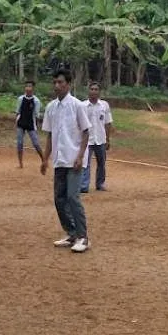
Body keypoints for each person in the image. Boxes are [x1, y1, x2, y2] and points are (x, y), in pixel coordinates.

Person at [41, 69, 92, 253]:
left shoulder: (78, 106)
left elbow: (86, 131)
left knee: (72, 197)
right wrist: (45, 158)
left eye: (60, 82)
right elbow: (49, 135)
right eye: (54, 82)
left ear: (68, 84)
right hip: (59, 160)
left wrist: (80, 156)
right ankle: (71, 233)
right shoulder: (50, 108)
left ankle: (83, 237)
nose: (57, 85)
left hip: (74, 160)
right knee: (58, 199)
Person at [81, 82, 114, 193]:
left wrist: (108, 139)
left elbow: (108, 123)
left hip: (100, 139)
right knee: (86, 163)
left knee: (101, 163)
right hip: (87, 140)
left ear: (99, 92)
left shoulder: (104, 105)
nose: (94, 91)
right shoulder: (82, 106)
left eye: (96, 89)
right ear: (88, 91)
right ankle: (84, 185)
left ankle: (100, 184)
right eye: (92, 89)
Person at [14, 81, 45, 168]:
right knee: (19, 143)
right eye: (26, 86)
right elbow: (17, 112)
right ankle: (20, 163)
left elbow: (36, 115)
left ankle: (43, 160)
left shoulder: (36, 101)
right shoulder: (20, 99)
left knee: (36, 143)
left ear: (33, 88)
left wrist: (37, 126)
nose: (28, 88)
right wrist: (16, 122)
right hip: (21, 123)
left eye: (30, 86)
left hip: (31, 123)